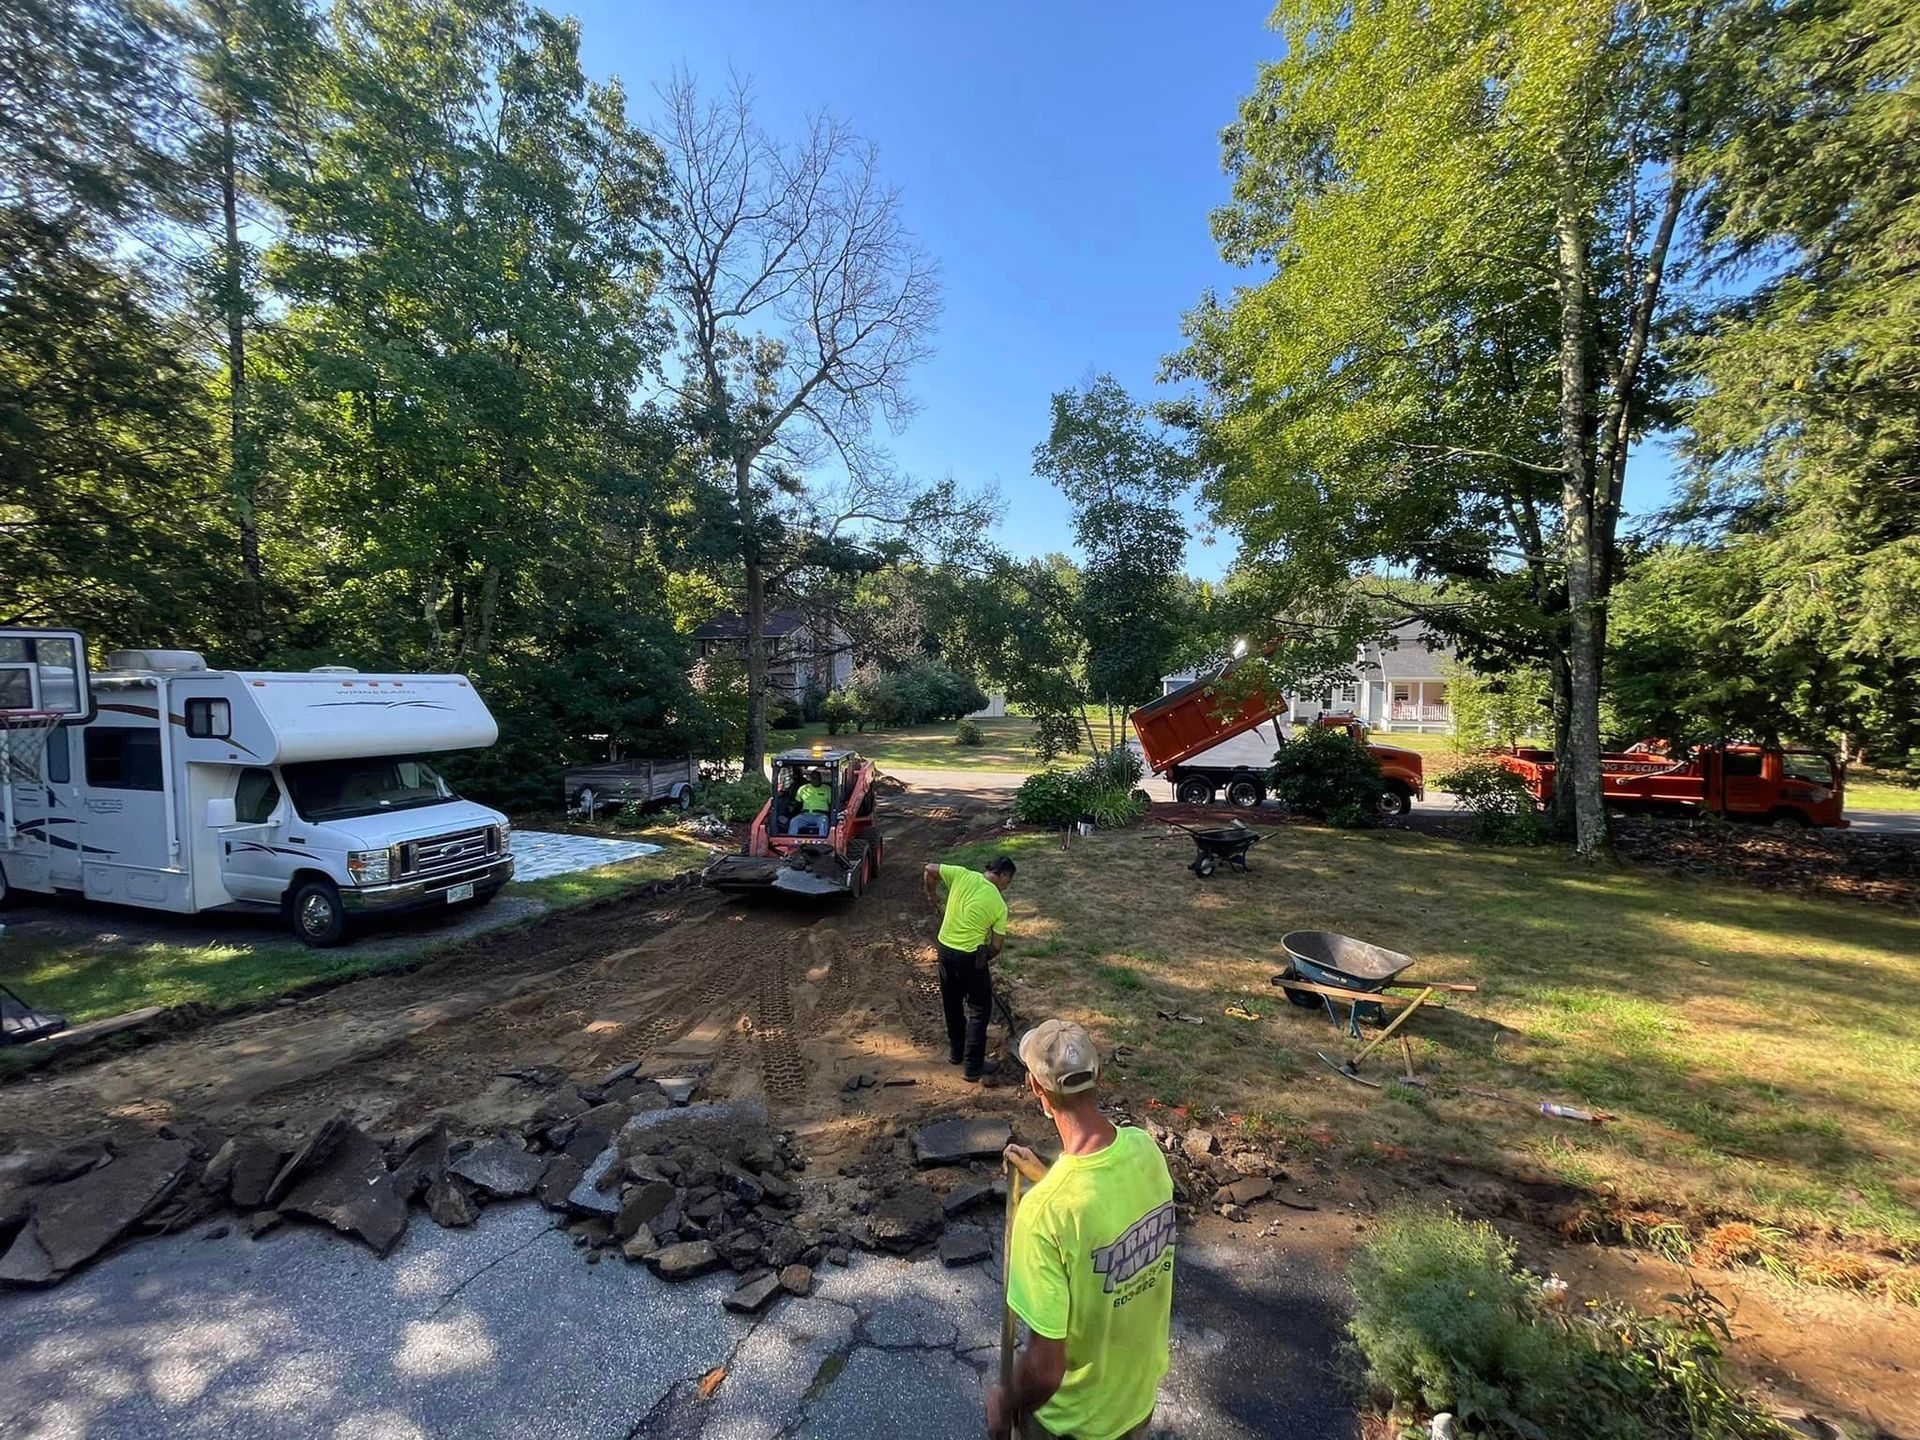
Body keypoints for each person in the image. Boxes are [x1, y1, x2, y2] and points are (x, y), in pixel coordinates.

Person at [990, 1019, 1174, 1440]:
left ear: (1035, 1088)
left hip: (1073, 1426)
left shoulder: (1044, 1215)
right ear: (1099, 1076)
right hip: (1135, 1403)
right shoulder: (1146, 1152)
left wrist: (1007, 1404)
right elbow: (1104, 1201)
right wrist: (1047, 1176)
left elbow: (1045, 1369)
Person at [921, 855, 1016, 1081]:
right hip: (969, 957)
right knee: (979, 1009)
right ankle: (972, 1067)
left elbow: (929, 869)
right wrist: (986, 957)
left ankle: (956, 1053)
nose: (1006, 887)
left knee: (952, 1002)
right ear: (1002, 875)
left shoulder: (961, 874)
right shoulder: (999, 905)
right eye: (1008, 881)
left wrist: (932, 895)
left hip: (944, 950)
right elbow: (996, 944)